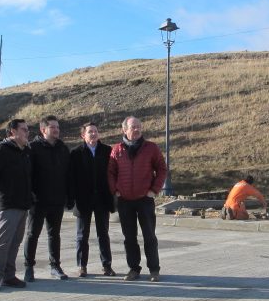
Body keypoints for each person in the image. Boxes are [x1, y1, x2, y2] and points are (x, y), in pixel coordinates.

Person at [108, 116, 166, 282]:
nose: (137, 129)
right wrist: (116, 191)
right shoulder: (117, 150)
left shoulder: (151, 148)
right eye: (133, 127)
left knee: (149, 236)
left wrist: (154, 190)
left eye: (139, 127)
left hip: (145, 200)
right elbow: (111, 173)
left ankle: (154, 270)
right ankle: (134, 269)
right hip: (125, 201)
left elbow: (162, 169)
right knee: (129, 238)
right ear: (124, 130)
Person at [0, 119, 32, 292]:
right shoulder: (1, 150)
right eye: (24, 130)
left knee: (15, 243)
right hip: (7, 204)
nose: (27, 133)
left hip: (22, 204)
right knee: (4, 242)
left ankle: (9, 276)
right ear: (13, 132)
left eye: (27, 130)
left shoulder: (24, 152)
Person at [22, 115, 71, 281]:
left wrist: (69, 196)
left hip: (57, 200)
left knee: (54, 234)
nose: (56, 130)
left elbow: (68, 175)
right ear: (43, 130)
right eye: (53, 127)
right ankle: (29, 267)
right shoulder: (32, 147)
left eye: (58, 127)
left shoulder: (63, 148)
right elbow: (26, 174)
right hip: (38, 201)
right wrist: (30, 194)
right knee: (32, 234)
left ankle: (55, 266)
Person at [69, 122, 116, 277]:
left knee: (103, 234)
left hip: (102, 199)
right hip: (83, 200)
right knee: (82, 235)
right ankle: (82, 265)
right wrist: (72, 198)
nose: (93, 134)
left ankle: (107, 265)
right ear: (83, 135)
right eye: (90, 132)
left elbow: (113, 174)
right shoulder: (76, 153)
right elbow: (71, 178)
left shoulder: (107, 151)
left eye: (96, 131)